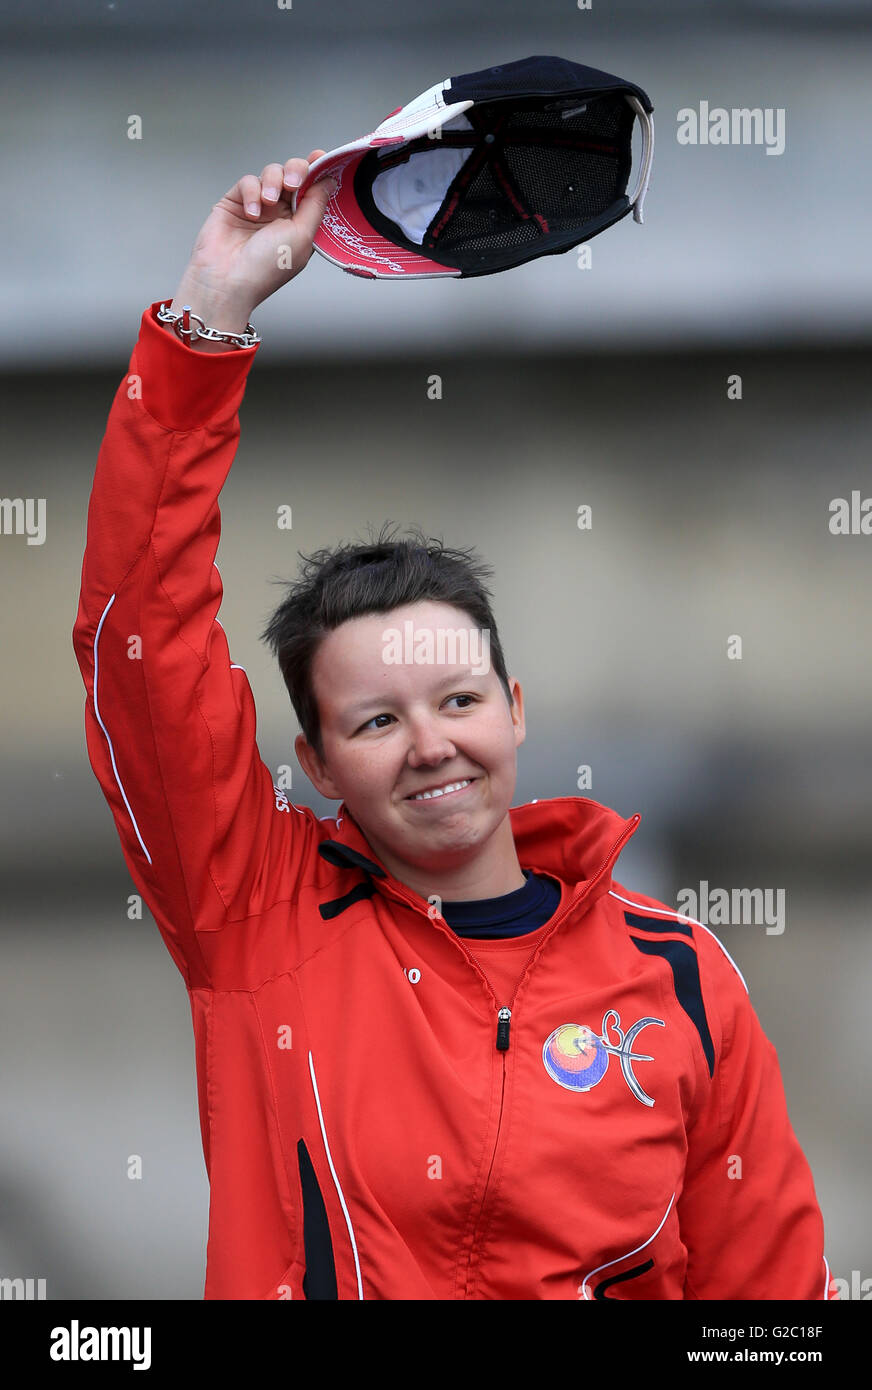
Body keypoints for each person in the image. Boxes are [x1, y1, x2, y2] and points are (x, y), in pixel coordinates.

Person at [72, 154, 835, 1301]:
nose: (430, 743)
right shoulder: (252, 914)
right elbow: (138, 640)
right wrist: (209, 314)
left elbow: (768, 1304)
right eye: (375, 718)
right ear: (315, 764)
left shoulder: (678, 975)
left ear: (515, 712)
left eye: (459, 700)